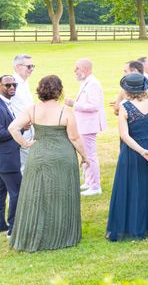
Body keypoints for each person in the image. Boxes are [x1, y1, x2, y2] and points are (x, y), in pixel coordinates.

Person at [8, 75, 88, 251]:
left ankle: (34, 234)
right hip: (62, 156)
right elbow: (74, 138)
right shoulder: (65, 111)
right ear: (59, 91)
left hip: (37, 155)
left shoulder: (32, 109)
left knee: (36, 194)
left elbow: (13, 128)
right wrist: (86, 157)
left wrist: (25, 144)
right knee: (62, 193)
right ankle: (61, 234)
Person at [106, 73, 148, 242]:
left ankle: (134, 227)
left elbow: (124, 136)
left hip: (134, 150)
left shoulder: (125, 107)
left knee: (132, 187)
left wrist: (143, 151)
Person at [64, 59, 108, 196]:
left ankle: (95, 186)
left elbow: (95, 106)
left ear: (85, 68)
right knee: (85, 153)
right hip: (83, 124)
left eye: (77, 68)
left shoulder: (93, 84)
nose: (75, 71)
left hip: (89, 125)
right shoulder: (86, 82)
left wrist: (74, 104)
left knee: (89, 155)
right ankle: (89, 182)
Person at [0, 75, 20, 238]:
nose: (12, 87)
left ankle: (1, 225)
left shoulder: (6, 103)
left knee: (1, 192)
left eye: (14, 84)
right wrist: (18, 129)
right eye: (8, 85)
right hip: (6, 159)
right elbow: (1, 133)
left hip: (5, 157)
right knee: (17, 192)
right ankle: (13, 228)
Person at [12, 54, 34, 172]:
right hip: (18, 129)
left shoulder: (25, 82)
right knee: (22, 165)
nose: (32, 69)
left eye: (33, 66)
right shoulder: (10, 84)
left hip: (29, 128)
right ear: (18, 67)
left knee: (29, 163)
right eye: (29, 66)